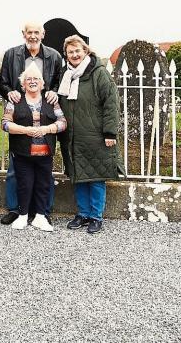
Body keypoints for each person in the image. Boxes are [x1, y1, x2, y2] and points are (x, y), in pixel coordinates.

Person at [0, 21, 63, 225]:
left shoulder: (54, 56)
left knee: (45, 170)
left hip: (45, 109)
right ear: (23, 34)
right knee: (14, 170)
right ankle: (15, 209)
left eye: (37, 32)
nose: (33, 36)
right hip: (21, 107)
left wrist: (53, 92)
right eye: (29, 32)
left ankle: (43, 211)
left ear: (43, 34)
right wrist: (9, 91)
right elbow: (4, 82)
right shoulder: (11, 54)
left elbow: (59, 82)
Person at [58, 35, 120, 234]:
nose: (74, 55)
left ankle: (96, 216)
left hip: (95, 134)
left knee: (95, 177)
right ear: (66, 55)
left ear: (85, 51)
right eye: (70, 52)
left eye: (78, 51)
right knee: (78, 176)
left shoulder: (99, 73)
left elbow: (111, 103)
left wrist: (110, 132)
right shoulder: (65, 75)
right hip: (73, 136)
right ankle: (83, 214)